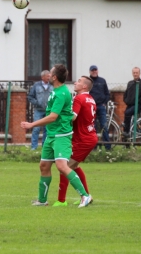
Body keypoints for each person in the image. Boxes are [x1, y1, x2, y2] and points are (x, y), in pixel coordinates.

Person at [21, 64, 92, 208]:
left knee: (61, 166)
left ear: (54, 77)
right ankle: (42, 200)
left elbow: (53, 117)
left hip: (61, 135)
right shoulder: (56, 90)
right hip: (52, 135)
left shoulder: (62, 93)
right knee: (44, 165)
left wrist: (31, 124)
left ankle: (85, 196)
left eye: (50, 72)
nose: (48, 74)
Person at [53, 76, 97, 207]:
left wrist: (57, 116)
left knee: (65, 167)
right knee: (74, 166)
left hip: (83, 139)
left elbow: (73, 117)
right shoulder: (91, 98)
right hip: (89, 137)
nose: (75, 82)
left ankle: (62, 200)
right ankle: (87, 195)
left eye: (78, 81)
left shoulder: (79, 98)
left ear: (84, 86)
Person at [27, 70, 53, 150]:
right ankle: (33, 147)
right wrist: (37, 103)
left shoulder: (52, 85)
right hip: (38, 110)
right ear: (43, 77)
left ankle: (44, 146)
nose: (49, 78)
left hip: (49, 110)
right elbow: (30, 97)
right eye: (47, 76)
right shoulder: (36, 85)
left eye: (50, 76)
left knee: (47, 129)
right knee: (36, 128)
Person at [89, 65, 110, 150]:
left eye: (95, 70)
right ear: (90, 71)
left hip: (101, 106)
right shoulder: (88, 81)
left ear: (97, 71)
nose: (94, 71)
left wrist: (104, 102)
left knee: (104, 126)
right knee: (93, 128)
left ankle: (108, 147)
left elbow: (107, 93)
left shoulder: (102, 80)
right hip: (91, 107)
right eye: (92, 70)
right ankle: (94, 147)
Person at [123, 67, 141, 137]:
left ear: (139, 73)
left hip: (138, 105)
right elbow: (126, 93)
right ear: (132, 73)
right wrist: (126, 100)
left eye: (136, 73)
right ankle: (126, 140)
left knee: (127, 113)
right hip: (129, 105)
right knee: (126, 120)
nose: (135, 74)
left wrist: (137, 102)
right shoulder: (130, 83)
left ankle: (127, 132)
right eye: (134, 73)